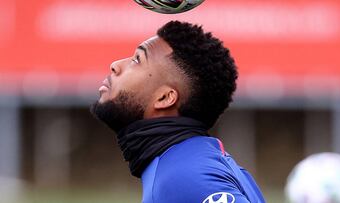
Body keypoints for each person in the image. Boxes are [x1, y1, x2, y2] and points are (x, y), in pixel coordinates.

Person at [90, 21, 265, 203]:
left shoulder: (184, 176)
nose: (115, 65)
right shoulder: (190, 161)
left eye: (137, 60)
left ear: (165, 98)